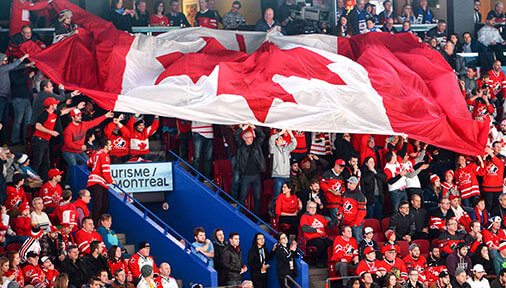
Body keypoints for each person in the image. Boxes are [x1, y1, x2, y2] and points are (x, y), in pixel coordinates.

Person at [235, 124, 266, 214]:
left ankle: (256, 216)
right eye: (249, 137)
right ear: (244, 138)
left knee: (257, 197)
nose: (251, 138)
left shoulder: (256, 144)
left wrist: (253, 127)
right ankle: (240, 213)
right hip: (246, 176)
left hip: (256, 175)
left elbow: (262, 135)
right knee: (242, 197)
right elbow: (236, 135)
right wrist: (244, 127)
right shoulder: (241, 146)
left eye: (252, 136)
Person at [0, 53, 29, 144]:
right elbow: (13, 66)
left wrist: (27, 65)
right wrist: (23, 57)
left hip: (5, 98)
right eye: (4, 60)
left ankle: (4, 141)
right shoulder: (2, 69)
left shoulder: (5, 69)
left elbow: (14, 67)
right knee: (1, 121)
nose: (6, 62)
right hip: (1, 97)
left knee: (4, 121)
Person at [86, 138, 115, 223]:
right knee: (100, 206)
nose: (111, 146)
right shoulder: (105, 155)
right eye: (110, 145)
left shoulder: (96, 154)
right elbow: (105, 171)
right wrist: (111, 181)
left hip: (95, 182)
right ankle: (96, 225)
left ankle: (99, 224)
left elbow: (88, 162)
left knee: (101, 206)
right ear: (105, 146)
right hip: (98, 182)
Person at [299, 201, 336, 268]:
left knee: (331, 243)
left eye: (314, 208)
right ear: (307, 209)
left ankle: (330, 263)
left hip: (323, 237)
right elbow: (305, 228)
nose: (313, 209)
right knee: (321, 244)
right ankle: (320, 263)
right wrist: (316, 230)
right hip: (311, 238)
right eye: (311, 208)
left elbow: (328, 225)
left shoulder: (320, 217)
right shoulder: (304, 217)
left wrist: (336, 220)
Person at [270, 129, 297, 197]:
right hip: (278, 176)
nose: (282, 139)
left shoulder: (286, 149)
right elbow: (271, 139)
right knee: (277, 197)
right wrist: (281, 132)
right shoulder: (273, 149)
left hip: (287, 176)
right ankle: (275, 207)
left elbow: (294, 144)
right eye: (280, 138)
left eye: (282, 138)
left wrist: (290, 133)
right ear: (276, 141)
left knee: (287, 196)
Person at [341, 176, 367, 241]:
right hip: (346, 223)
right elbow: (341, 205)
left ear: (355, 184)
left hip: (355, 224)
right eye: (348, 182)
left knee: (358, 241)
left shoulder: (360, 195)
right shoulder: (345, 193)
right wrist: (340, 213)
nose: (348, 184)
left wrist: (356, 223)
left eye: (351, 183)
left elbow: (362, 212)